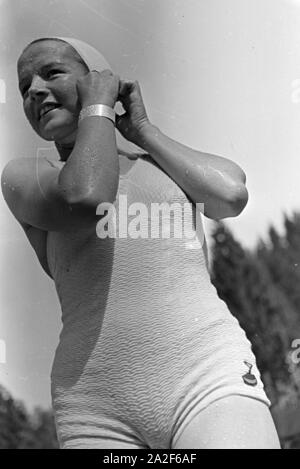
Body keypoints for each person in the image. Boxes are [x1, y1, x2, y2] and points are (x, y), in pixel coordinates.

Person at [1, 37, 280, 449]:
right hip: (94, 407)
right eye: (25, 87)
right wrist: (99, 110)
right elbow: (88, 193)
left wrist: (144, 131)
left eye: (52, 73)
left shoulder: (161, 166)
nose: (35, 90)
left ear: (98, 79)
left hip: (205, 373)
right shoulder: (29, 176)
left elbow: (231, 195)